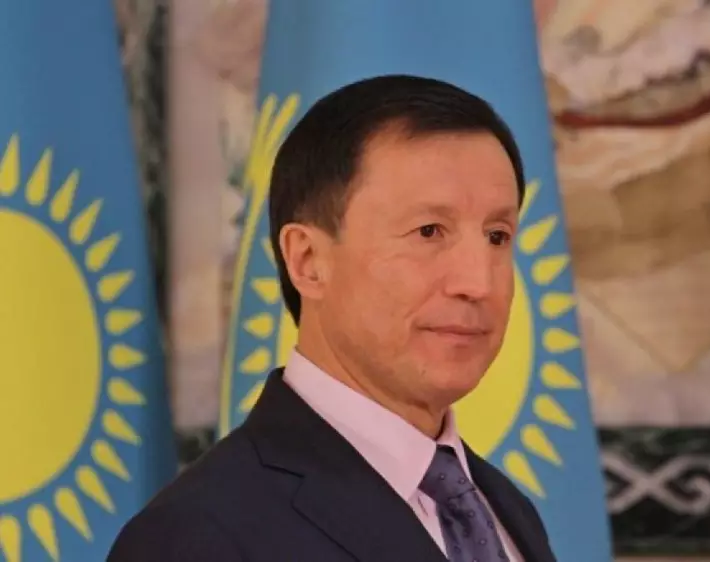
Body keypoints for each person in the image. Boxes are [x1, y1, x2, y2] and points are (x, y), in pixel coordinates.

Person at [107, 75, 557, 562]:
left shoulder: (503, 509)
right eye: (429, 231)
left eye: (497, 236)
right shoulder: (197, 537)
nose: (479, 282)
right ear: (307, 261)